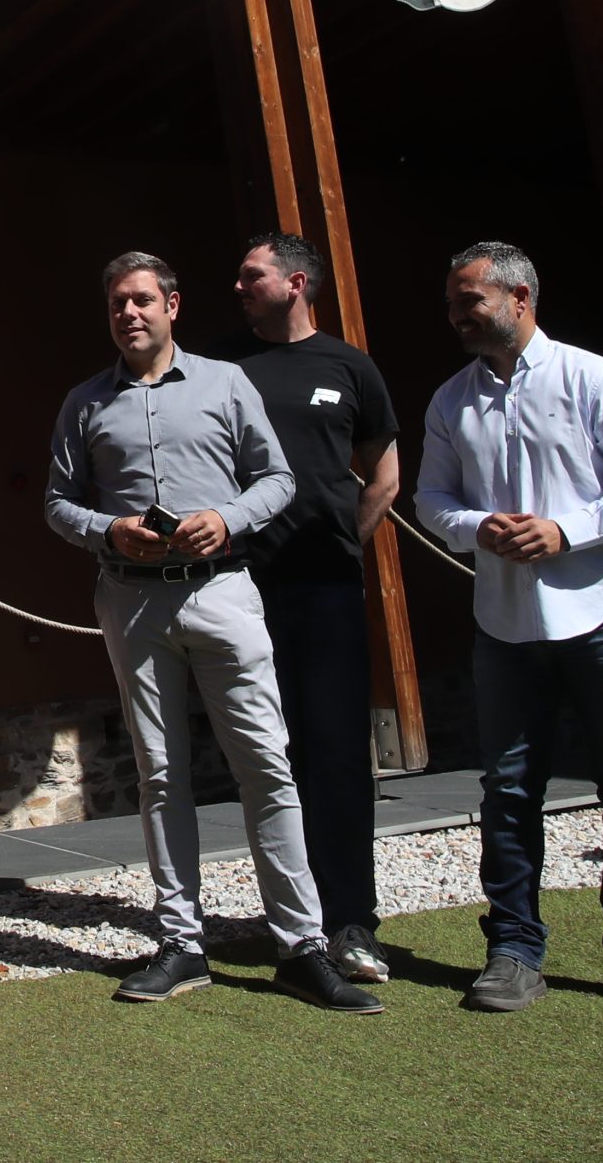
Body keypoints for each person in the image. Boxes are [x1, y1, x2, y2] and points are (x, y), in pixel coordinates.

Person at [45, 251, 381, 1013]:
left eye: (141, 300)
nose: (128, 314)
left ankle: (301, 944)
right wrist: (109, 528)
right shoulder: (85, 402)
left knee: (266, 763)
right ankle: (180, 942)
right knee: (161, 773)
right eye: (116, 304)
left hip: (224, 593)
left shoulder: (230, 383)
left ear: (172, 305)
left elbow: (279, 479)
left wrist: (225, 518)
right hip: (131, 601)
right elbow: (58, 502)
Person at [417, 242, 603, 1016]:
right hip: (506, 626)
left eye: (468, 298)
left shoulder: (596, 378)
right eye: (452, 301)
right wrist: (481, 525)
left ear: (519, 296)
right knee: (508, 790)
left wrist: (566, 531)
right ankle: (513, 950)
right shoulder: (450, 400)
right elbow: (432, 501)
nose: (456, 315)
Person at [223, 232, 401, 986]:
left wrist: (341, 541)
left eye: (251, 274)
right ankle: (292, 923)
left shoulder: (349, 365)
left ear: (296, 283)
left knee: (333, 754)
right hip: (238, 591)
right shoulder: (221, 368)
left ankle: (351, 920)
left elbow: (385, 474)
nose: (238, 286)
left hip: (325, 589)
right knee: (268, 756)